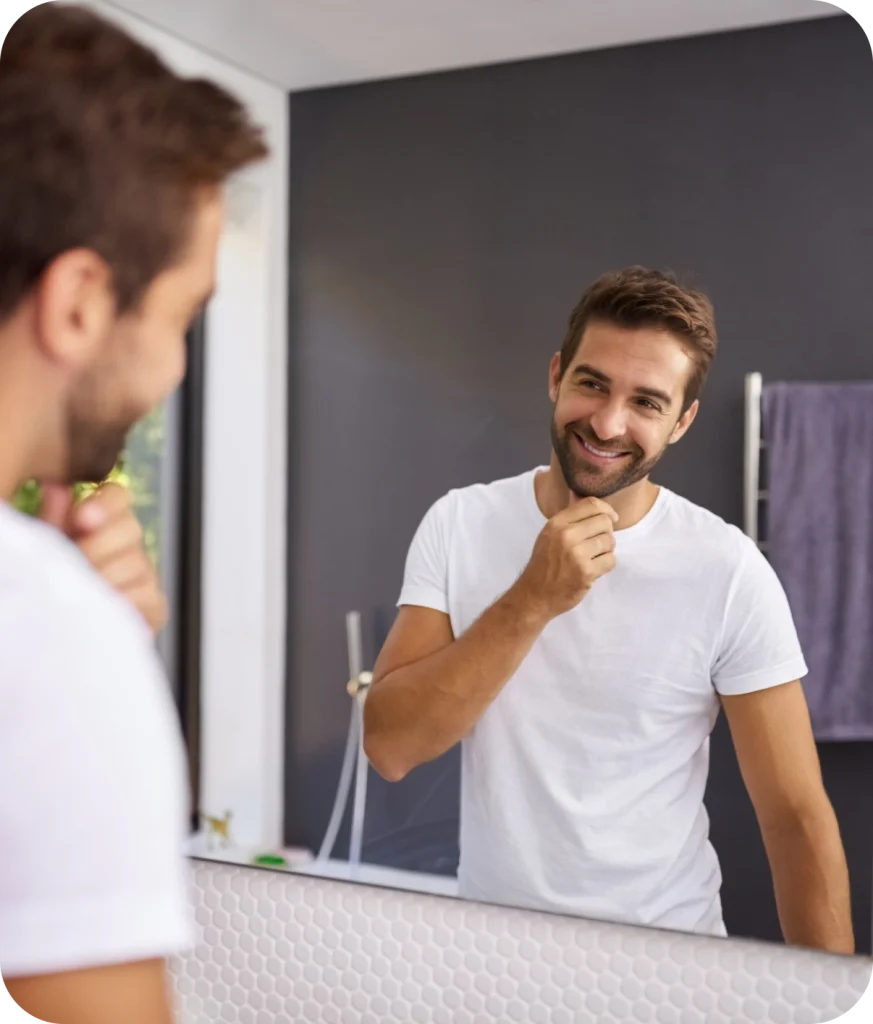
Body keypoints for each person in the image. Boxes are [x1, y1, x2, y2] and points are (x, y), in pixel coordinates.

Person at [365, 266, 854, 953]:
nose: (606, 422)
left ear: (680, 421)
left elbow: (795, 819)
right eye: (592, 383)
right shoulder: (460, 524)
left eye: (647, 403)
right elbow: (389, 746)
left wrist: (829, 1004)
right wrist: (532, 598)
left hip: (665, 965)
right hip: (492, 960)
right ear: (556, 375)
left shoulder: (726, 570)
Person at [0, 6, 268, 1022]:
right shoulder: (47, 636)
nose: (177, 366)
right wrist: (79, 645)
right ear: (78, 302)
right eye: (181, 317)